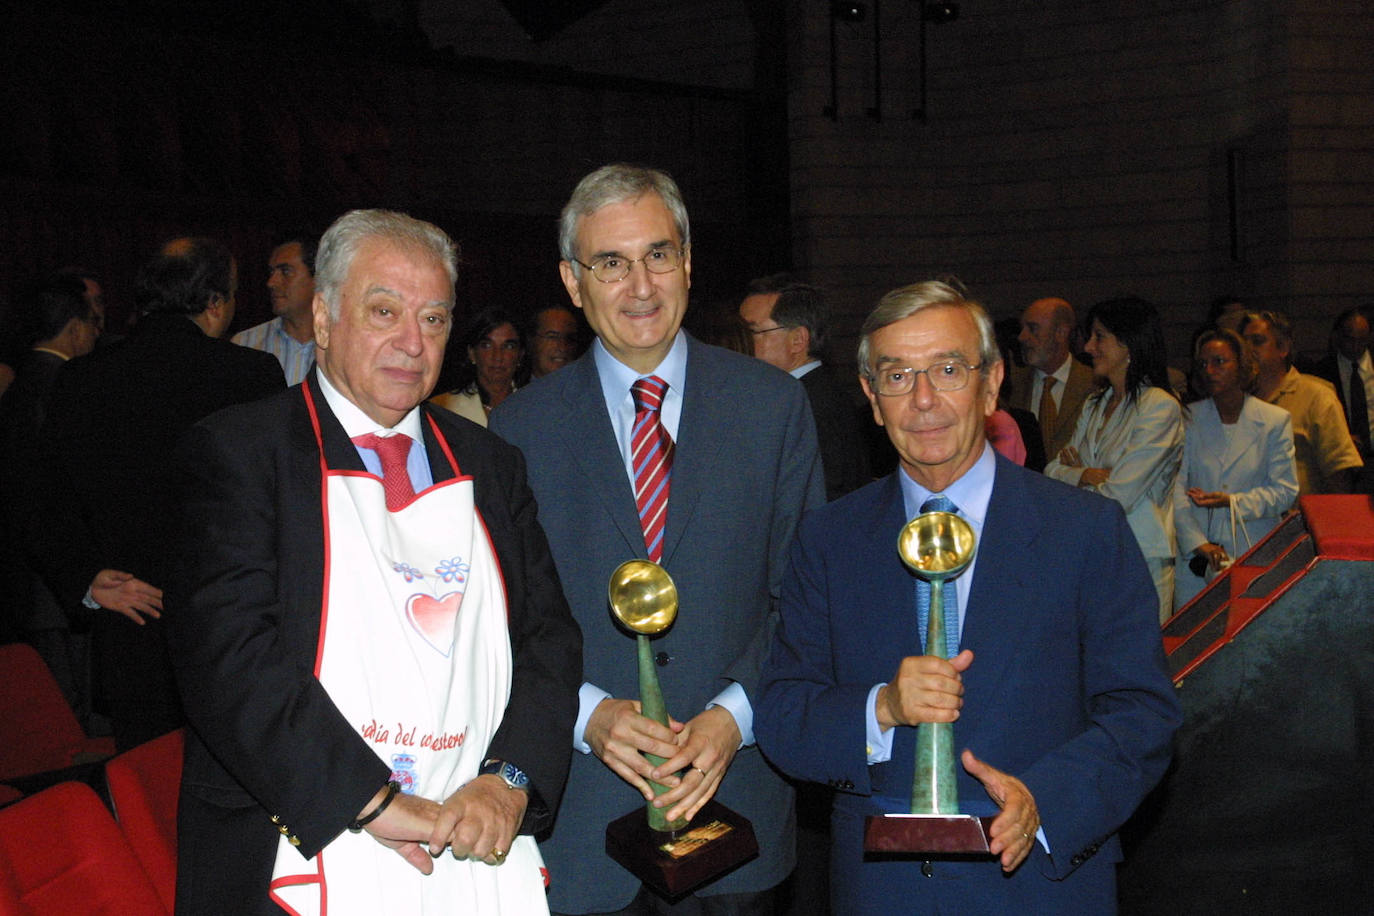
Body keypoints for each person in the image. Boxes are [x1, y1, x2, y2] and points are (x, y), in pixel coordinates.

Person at [166, 210, 582, 915]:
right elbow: (228, 657)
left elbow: (548, 637)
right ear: (324, 319)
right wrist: (375, 799)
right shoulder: (241, 452)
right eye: (384, 311)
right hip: (295, 838)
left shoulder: (490, 463)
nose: (411, 344)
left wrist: (508, 780)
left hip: (466, 842)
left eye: (434, 319)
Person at [755, 281, 1181, 914]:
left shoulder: (1085, 531)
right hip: (883, 891)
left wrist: (1046, 801)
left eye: (948, 369)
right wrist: (882, 710)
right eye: (897, 376)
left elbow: (1143, 715)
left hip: (1038, 884)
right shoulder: (829, 539)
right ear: (872, 398)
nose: (923, 400)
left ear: (991, 384)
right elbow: (785, 716)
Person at [490, 164, 824, 915]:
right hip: (582, 832)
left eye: (659, 255)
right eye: (611, 263)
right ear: (573, 283)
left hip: (737, 814)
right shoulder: (517, 431)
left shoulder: (773, 409)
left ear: (689, 261)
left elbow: (806, 604)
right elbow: (501, 623)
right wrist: (586, 716)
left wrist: (734, 717)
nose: (640, 286)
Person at [24, 238, 286, 750]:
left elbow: (41, 496)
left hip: (130, 623)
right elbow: (280, 500)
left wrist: (85, 578)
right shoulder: (251, 375)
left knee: (145, 788)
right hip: (234, 626)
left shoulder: (81, 377)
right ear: (214, 304)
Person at [1045, 297, 1184, 621]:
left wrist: (1077, 472)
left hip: (1139, 555)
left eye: (1099, 336)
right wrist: (1083, 474)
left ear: (1128, 343)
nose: (1089, 347)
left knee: (1138, 663)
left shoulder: (1159, 406)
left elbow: (1120, 495)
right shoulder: (1094, 404)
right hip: (1092, 554)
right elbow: (1051, 470)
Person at [1173, 329, 1297, 609]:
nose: (1210, 370)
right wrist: (1197, 543)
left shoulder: (1274, 421)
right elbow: (1175, 490)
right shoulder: (1188, 418)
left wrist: (1234, 502)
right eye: (1203, 364)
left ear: (1242, 366)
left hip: (1252, 550)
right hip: (1196, 558)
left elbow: (1286, 491)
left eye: (1219, 361)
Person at [740, 274, 870, 500]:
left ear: (798, 340)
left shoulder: (807, 405)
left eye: (753, 332)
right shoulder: (816, 394)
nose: (742, 344)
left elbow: (824, 498)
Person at [1241, 309, 1362, 494]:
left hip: (1302, 517)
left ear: (1283, 348)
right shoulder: (1235, 401)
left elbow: (1339, 475)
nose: (1248, 350)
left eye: (1257, 342)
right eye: (1242, 344)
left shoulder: (1316, 396)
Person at [1010, 297, 1095, 465]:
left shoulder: (1094, 386)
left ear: (1061, 333)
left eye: (1032, 328)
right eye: (1022, 328)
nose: (1022, 337)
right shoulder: (1012, 386)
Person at [233, 231, 319, 384]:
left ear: (317, 278)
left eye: (285, 272)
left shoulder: (344, 342)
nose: (271, 282)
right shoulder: (246, 344)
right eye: (271, 272)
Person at [1306, 306, 1373, 490]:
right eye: (1350, 340)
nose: (1355, 347)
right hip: (1343, 463)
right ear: (1337, 337)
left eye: (1362, 340)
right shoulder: (1322, 372)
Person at [431, 307, 525, 426]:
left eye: (508, 347)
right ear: (472, 353)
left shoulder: (535, 406)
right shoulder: (442, 409)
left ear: (520, 355)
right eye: (487, 346)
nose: (497, 356)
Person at [529, 304, 581, 378]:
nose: (563, 347)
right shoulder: (514, 388)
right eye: (552, 337)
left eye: (570, 338)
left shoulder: (589, 387)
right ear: (532, 341)